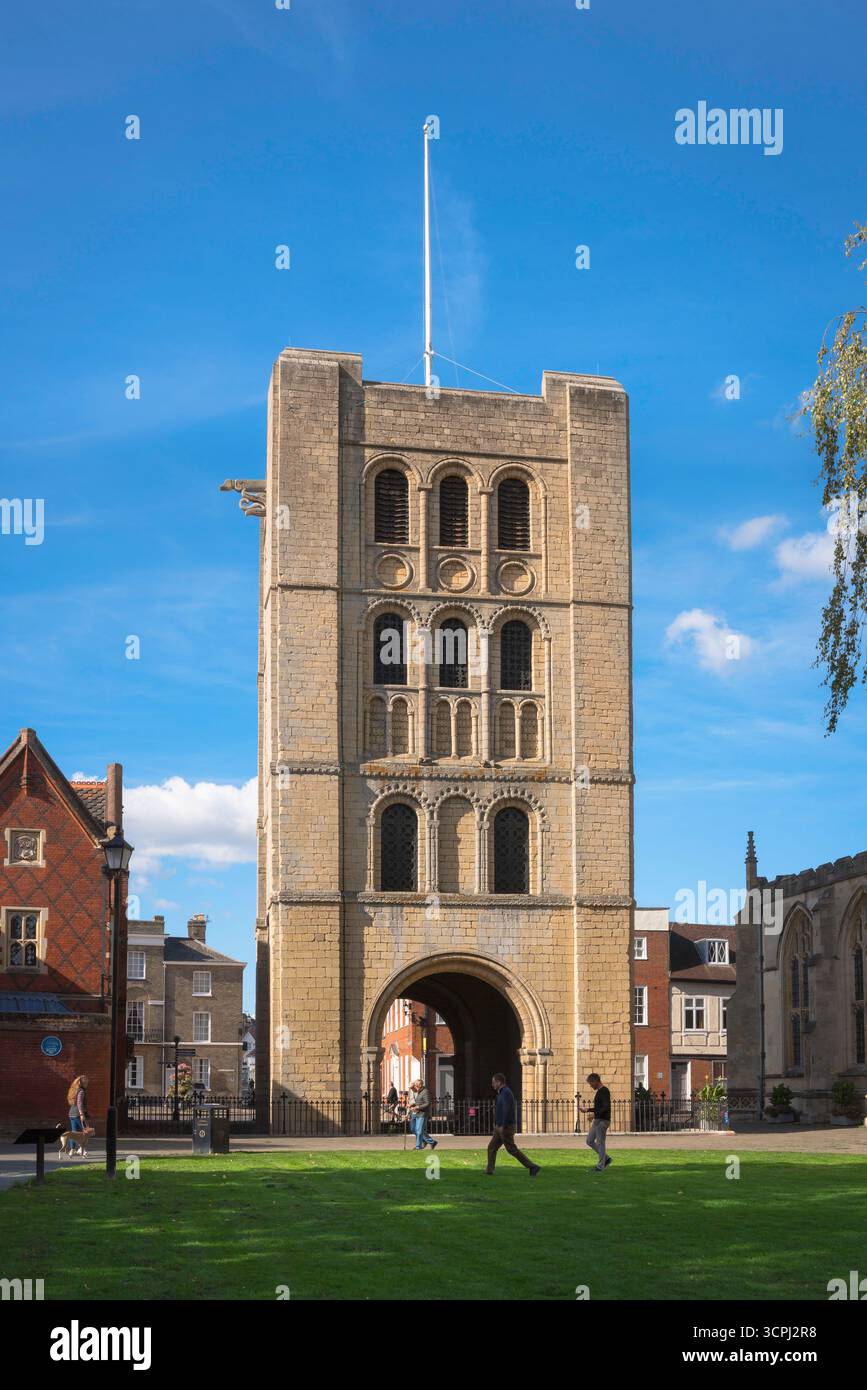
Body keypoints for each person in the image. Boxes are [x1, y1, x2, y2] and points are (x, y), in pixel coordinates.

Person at [486, 1074, 540, 1177]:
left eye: (494, 1082)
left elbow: (507, 1110)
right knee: (491, 1147)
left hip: (505, 1127)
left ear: (499, 1082)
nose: (492, 1085)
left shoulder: (506, 1093)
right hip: (500, 1126)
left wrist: (503, 1125)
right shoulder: (502, 1093)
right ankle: (489, 1170)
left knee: (511, 1149)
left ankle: (532, 1166)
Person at [582, 1072, 612, 1171]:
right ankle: (606, 1158)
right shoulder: (599, 1092)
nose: (590, 1086)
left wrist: (594, 1115)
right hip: (598, 1119)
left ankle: (600, 1166)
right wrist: (588, 1110)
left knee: (600, 1142)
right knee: (589, 1140)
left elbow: (605, 1107)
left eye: (591, 1083)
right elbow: (599, 1108)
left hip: (603, 1121)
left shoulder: (604, 1091)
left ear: (595, 1081)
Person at [408, 1078, 437, 1151]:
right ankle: (431, 1142)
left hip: (422, 1114)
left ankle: (418, 1147)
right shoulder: (418, 1091)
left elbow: (427, 1103)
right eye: (415, 1085)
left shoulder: (425, 1092)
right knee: (413, 1129)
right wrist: (412, 1105)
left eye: (416, 1085)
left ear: (420, 1085)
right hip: (415, 1113)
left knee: (419, 1130)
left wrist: (418, 1107)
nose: (415, 1087)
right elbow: (418, 1102)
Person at [66, 1075, 89, 1155]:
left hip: (71, 1113)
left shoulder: (73, 1090)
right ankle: (81, 1149)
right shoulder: (81, 1091)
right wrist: (82, 1114)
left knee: (74, 1133)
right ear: (82, 1083)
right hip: (78, 1114)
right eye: (86, 1082)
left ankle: (72, 1150)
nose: (87, 1084)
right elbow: (79, 1103)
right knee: (85, 1132)